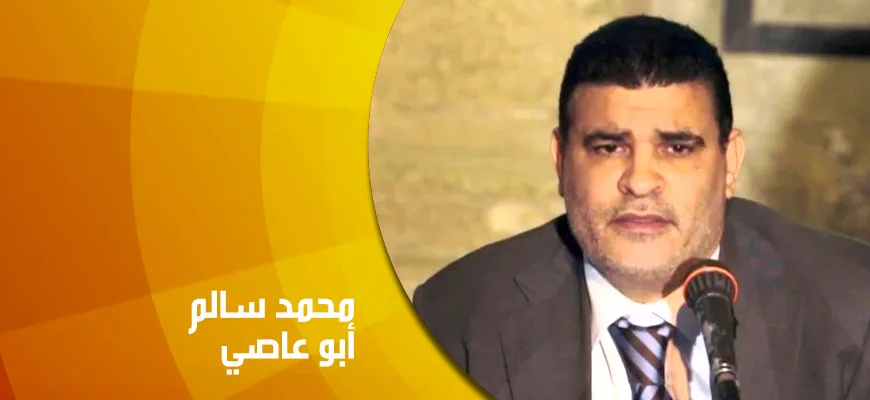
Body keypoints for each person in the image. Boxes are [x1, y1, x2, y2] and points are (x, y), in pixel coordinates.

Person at [410, 14, 870, 400]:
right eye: (609, 147)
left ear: (729, 162)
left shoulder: (853, 306)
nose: (640, 181)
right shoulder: (458, 317)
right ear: (561, 161)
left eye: (677, 148)